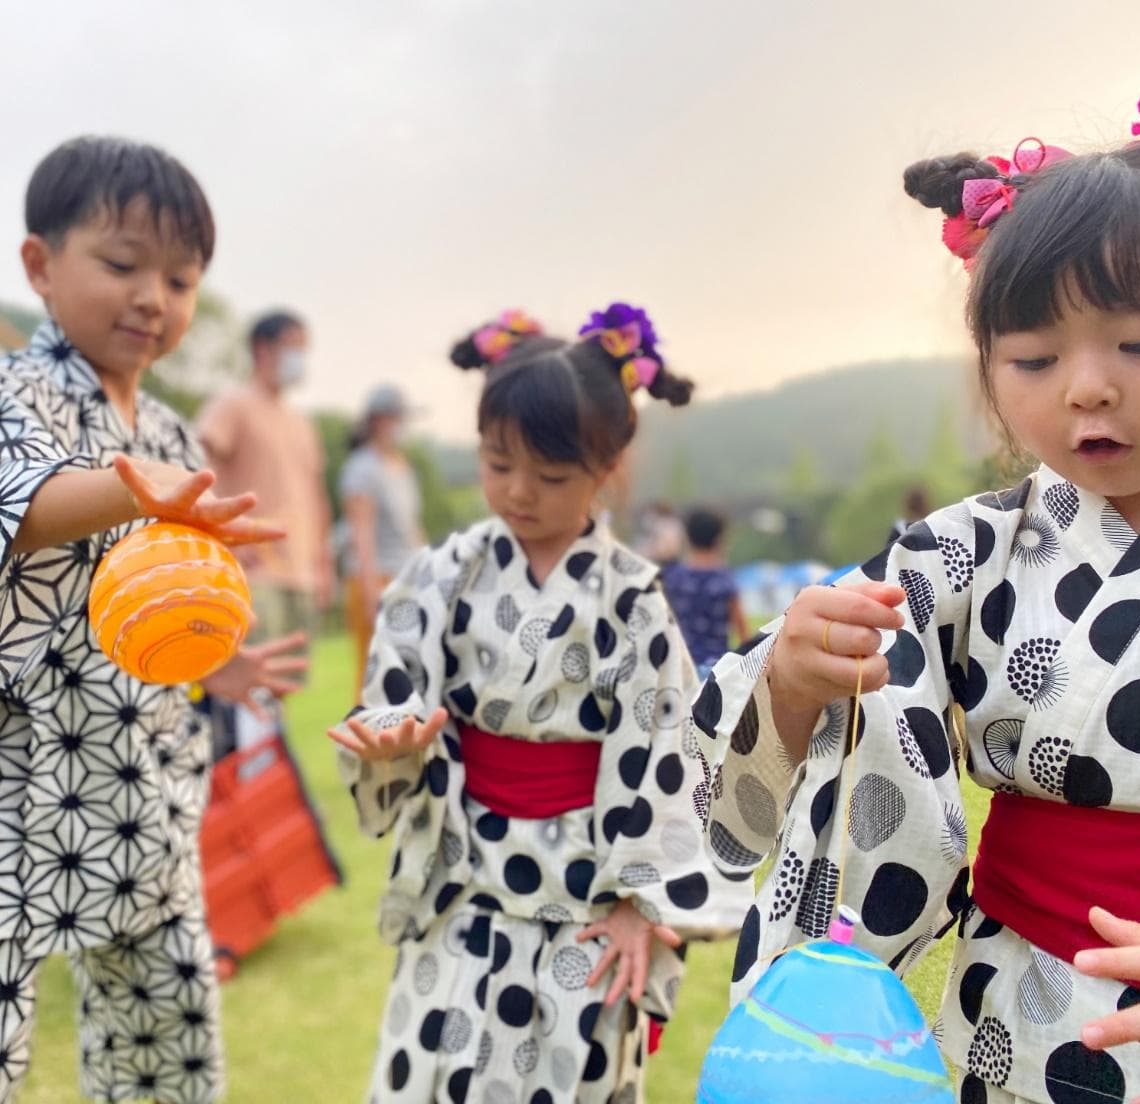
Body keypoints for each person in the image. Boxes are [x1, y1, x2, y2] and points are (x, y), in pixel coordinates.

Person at [695, 65, 1140, 1104]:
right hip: (1016, 1016)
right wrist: (797, 676)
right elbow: (798, 738)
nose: (1086, 385)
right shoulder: (956, 553)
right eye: (1031, 357)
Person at [0, 136, 304, 1104]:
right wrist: (128, 492)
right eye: (122, 264)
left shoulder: (171, 433)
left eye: (180, 279)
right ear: (39, 266)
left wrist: (212, 663)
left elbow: (169, 598)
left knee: (159, 1034)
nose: (153, 298)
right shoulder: (0, 395)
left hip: (132, 772)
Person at [329, 304, 745, 1103]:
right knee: (438, 1068)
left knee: (564, 1072)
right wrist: (392, 743)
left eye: (551, 477)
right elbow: (395, 694)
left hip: (585, 895)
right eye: (496, 464)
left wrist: (637, 905)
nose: (519, 492)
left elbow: (664, 754)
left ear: (606, 468)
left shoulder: (631, 597)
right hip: (462, 878)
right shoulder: (440, 573)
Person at [197, 308, 334, 645]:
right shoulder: (232, 404)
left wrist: (323, 563)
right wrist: (220, 533)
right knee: (252, 680)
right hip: (255, 571)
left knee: (282, 685)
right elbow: (193, 465)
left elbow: (315, 497)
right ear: (262, 348)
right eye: (293, 346)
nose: (300, 358)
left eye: (305, 349)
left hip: (300, 574)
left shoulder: (302, 422)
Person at [340, 383, 424, 684]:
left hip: (407, 578)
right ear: (378, 420)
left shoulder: (402, 466)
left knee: (408, 672)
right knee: (375, 674)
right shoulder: (362, 467)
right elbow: (361, 533)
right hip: (378, 579)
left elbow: (412, 529)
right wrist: (369, 589)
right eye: (397, 418)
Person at [661, 507, 747, 678]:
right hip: (716, 670)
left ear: (687, 537)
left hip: (680, 667)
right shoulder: (724, 581)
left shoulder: (673, 578)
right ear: (719, 539)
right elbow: (743, 633)